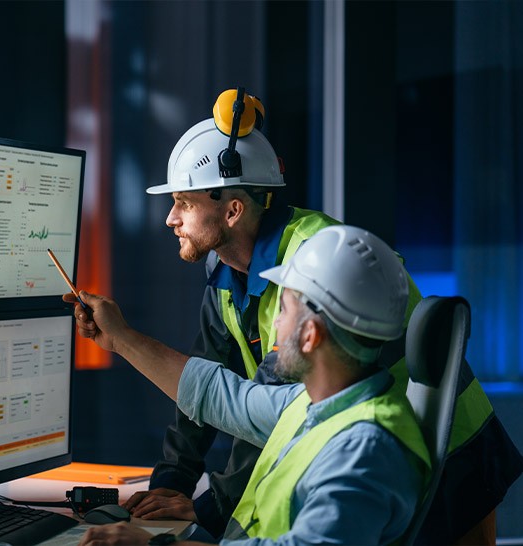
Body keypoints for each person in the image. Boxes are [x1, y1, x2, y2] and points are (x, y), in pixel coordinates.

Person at [129, 88, 522, 544]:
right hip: (369, 447)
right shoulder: (227, 270)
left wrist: (206, 512)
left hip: (446, 449)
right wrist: (171, 485)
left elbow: (269, 418)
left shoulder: (315, 266)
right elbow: (210, 383)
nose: (170, 218)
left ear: (233, 210)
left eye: (185, 202)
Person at [70, 225, 431, 546]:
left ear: (310, 336)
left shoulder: (364, 452)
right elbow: (222, 397)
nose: (274, 324)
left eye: (284, 311)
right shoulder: (316, 404)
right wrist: (120, 338)